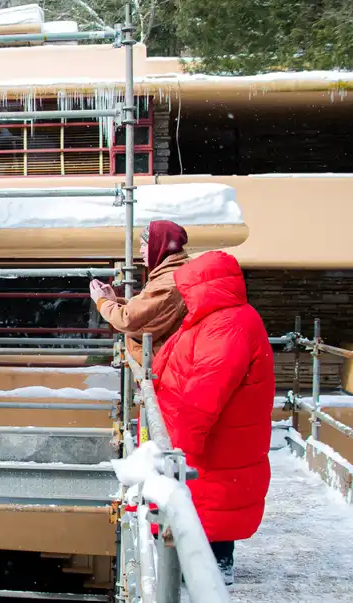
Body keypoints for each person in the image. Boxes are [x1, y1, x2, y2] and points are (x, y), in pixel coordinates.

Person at [151, 250, 275, 586]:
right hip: (217, 448)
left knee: (211, 515)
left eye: (188, 289)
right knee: (213, 513)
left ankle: (212, 573)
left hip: (209, 451)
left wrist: (179, 453)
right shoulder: (220, 319)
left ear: (204, 286)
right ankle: (212, 567)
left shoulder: (225, 325)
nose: (184, 296)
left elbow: (204, 394)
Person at [89, 220, 190, 363]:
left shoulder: (168, 283)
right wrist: (114, 301)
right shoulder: (170, 273)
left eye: (144, 245)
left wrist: (102, 302)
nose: (141, 251)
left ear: (158, 246)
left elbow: (129, 320)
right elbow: (148, 311)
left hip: (166, 364)